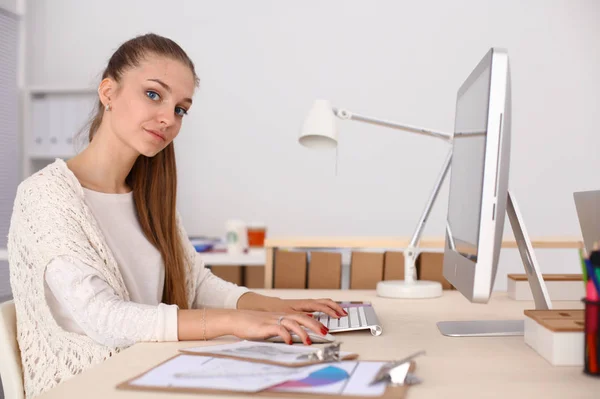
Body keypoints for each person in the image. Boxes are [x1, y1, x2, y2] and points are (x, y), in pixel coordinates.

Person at [7, 33, 346, 398]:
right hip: (91, 388)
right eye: (153, 94)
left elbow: (196, 285)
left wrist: (279, 307)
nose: (168, 118)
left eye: (180, 109)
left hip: (153, 375)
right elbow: (102, 317)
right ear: (108, 93)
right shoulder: (45, 195)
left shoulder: (148, 196)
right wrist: (233, 322)